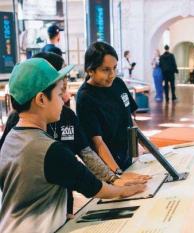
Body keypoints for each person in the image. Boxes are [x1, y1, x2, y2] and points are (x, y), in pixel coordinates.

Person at [0, 58, 145, 233]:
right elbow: (93, 186)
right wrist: (124, 189)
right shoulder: (49, 150)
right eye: (59, 95)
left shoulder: (12, 138)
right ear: (41, 99)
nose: (63, 101)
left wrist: (58, 214)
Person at [77, 42, 141, 175]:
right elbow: (97, 142)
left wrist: (153, 150)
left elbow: (129, 119)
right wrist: (117, 174)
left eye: (115, 68)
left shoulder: (118, 83)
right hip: (106, 168)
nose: (112, 74)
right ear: (90, 70)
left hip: (126, 159)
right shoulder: (85, 97)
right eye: (105, 70)